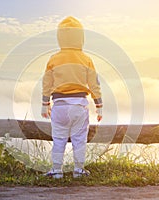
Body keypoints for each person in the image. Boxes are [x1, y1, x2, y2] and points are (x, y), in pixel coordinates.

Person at [41, 16, 103, 178]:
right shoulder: (86, 59)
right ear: (80, 37)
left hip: (59, 106)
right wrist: (99, 105)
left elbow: (47, 83)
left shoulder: (53, 59)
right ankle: (78, 170)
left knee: (59, 139)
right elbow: (94, 84)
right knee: (79, 139)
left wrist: (44, 104)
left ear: (60, 37)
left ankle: (56, 171)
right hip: (79, 106)